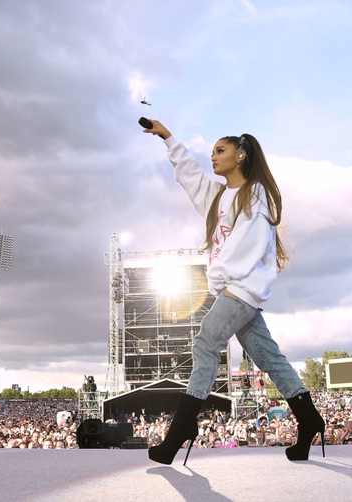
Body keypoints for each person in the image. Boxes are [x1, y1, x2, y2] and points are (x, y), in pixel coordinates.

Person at [142, 119, 325, 465]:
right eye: (212, 152)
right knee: (269, 358)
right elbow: (191, 176)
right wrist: (167, 138)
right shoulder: (219, 196)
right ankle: (309, 418)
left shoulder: (255, 194)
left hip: (240, 286)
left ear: (240, 156)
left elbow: (249, 244)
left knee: (206, 341)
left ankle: (182, 428)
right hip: (235, 288)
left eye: (220, 151)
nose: (213, 157)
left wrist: (222, 278)